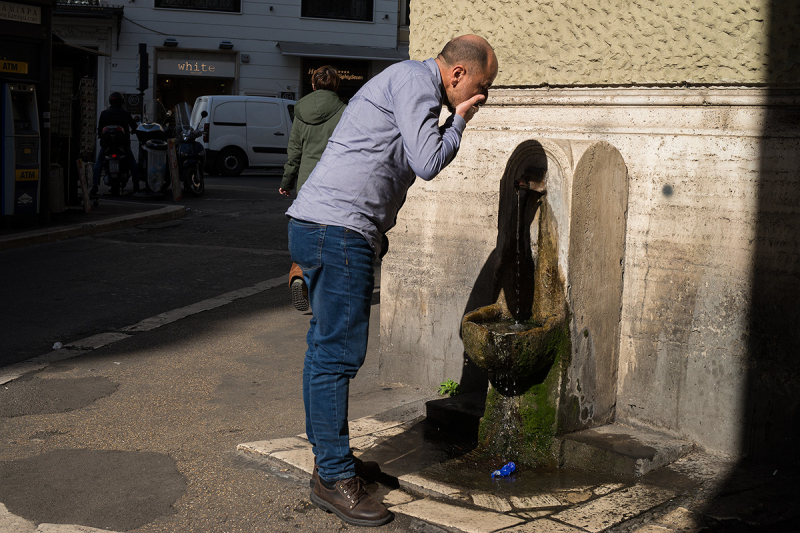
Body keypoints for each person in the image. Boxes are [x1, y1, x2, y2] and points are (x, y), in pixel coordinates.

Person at [285, 35, 498, 527]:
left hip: (322, 225)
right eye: (480, 87)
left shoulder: (404, 86)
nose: (481, 96)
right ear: (458, 75)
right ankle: (334, 478)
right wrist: (461, 120)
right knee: (336, 355)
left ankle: (330, 462)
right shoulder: (416, 82)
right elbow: (427, 163)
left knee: (325, 352)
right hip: (338, 230)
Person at [279, 66, 346, 312]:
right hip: (336, 184)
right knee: (334, 238)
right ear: (336, 86)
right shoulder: (345, 112)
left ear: (314, 85)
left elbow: (294, 151)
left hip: (307, 184)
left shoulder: (301, 112)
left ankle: (299, 275)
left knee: (305, 236)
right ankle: (326, 292)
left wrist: (287, 182)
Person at [92, 92, 139, 196]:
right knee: (132, 161)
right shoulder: (125, 113)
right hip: (123, 144)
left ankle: (94, 186)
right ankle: (136, 185)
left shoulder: (104, 113)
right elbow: (134, 126)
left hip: (107, 144)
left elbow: (99, 129)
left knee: (99, 162)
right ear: (122, 101)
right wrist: (133, 131)